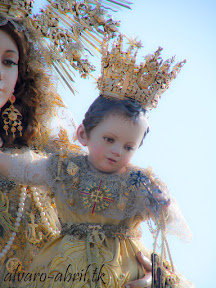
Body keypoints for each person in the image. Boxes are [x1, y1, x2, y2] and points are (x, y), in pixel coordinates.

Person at [0, 94, 193, 288]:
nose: (117, 151)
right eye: (109, 139)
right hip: (63, 269)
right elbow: (24, 169)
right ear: (83, 134)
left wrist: (163, 205)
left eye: (128, 147)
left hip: (123, 271)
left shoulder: (139, 181)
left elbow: (171, 220)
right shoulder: (64, 168)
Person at [0, 15, 80, 287]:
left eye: (8, 61)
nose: (0, 73)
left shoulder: (45, 152)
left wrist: (139, 269)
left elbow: (100, 214)